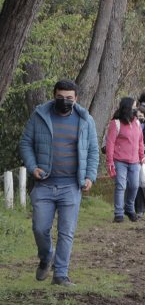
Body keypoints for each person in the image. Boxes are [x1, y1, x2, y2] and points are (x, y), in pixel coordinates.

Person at [19, 79, 99, 287]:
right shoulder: (39, 116)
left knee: (66, 232)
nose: (64, 101)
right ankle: (46, 257)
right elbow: (26, 142)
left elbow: (92, 150)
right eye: (60, 97)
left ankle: (61, 274)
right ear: (53, 95)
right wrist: (32, 166)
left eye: (69, 98)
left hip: (71, 185)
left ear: (76, 99)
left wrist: (90, 176)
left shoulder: (85, 119)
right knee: (40, 228)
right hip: (44, 184)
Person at [105, 97, 145, 223]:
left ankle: (129, 207)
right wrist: (110, 162)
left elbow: (140, 141)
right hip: (119, 160)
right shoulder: (115, 123)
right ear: (127, 108)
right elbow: (110, 143)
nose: (136, 109)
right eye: (133, 107)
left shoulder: (137, 123)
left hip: (135, 161)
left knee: (134, 185)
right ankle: (118, 213)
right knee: (121, 186)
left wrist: (141, 156)